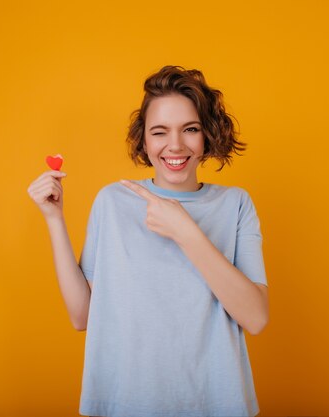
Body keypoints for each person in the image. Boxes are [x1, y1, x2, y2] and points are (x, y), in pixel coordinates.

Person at [27, 65, 269, 417]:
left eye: (190, 129)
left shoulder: (236, 204)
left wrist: (185, 231)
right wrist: (54, 219)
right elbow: (82, 316)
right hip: (125, 402)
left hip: (214, 403)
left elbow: (256, 318)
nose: (175, 145)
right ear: (144, 140)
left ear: (207, 135)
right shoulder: (112, 201)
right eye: (160, 132)